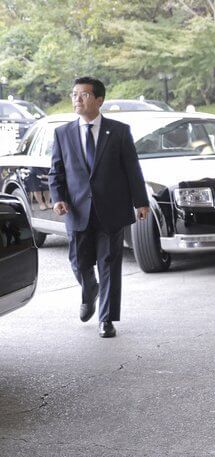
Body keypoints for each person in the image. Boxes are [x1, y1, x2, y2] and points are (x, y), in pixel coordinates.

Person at [48, 77, 149, 339]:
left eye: (83, 95)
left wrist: (141, 202)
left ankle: (106, 319)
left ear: (99, 100)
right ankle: (90, 288)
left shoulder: (119, 131)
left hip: (111, 210)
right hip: (76, 210)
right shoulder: (62, 133)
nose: (76, 100)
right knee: (79, 263)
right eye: (74, 95)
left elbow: (132, 169)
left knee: (109, 264)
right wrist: (58, 197)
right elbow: (56, 171)